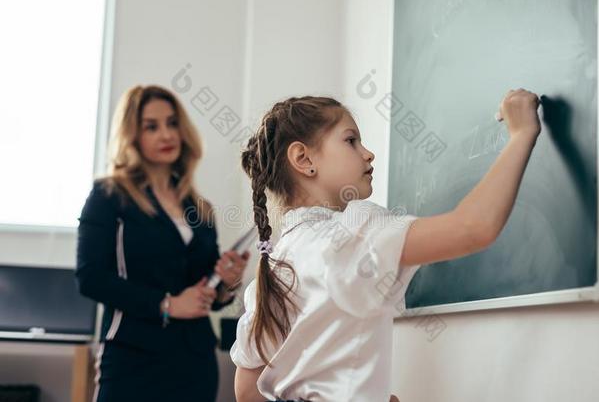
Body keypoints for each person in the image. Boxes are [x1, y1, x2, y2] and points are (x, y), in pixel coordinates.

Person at [230, 91, 541, 401]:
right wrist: (522, 133)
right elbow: (474, 227)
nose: (368, 154)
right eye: (351, 140)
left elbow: (247, 392)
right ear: (304, 159)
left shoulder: (272, 269)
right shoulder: (352, 233)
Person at [76, 85, 249, 402]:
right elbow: (90, 278)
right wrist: (167, 304)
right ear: (132, 135)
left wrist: (226, 282)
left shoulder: (199, 207)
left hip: (194, 360)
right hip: (133, 356)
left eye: (172, 123)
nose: (166, 134)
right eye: (151, 126)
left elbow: (206, 294)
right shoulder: (109, 196)